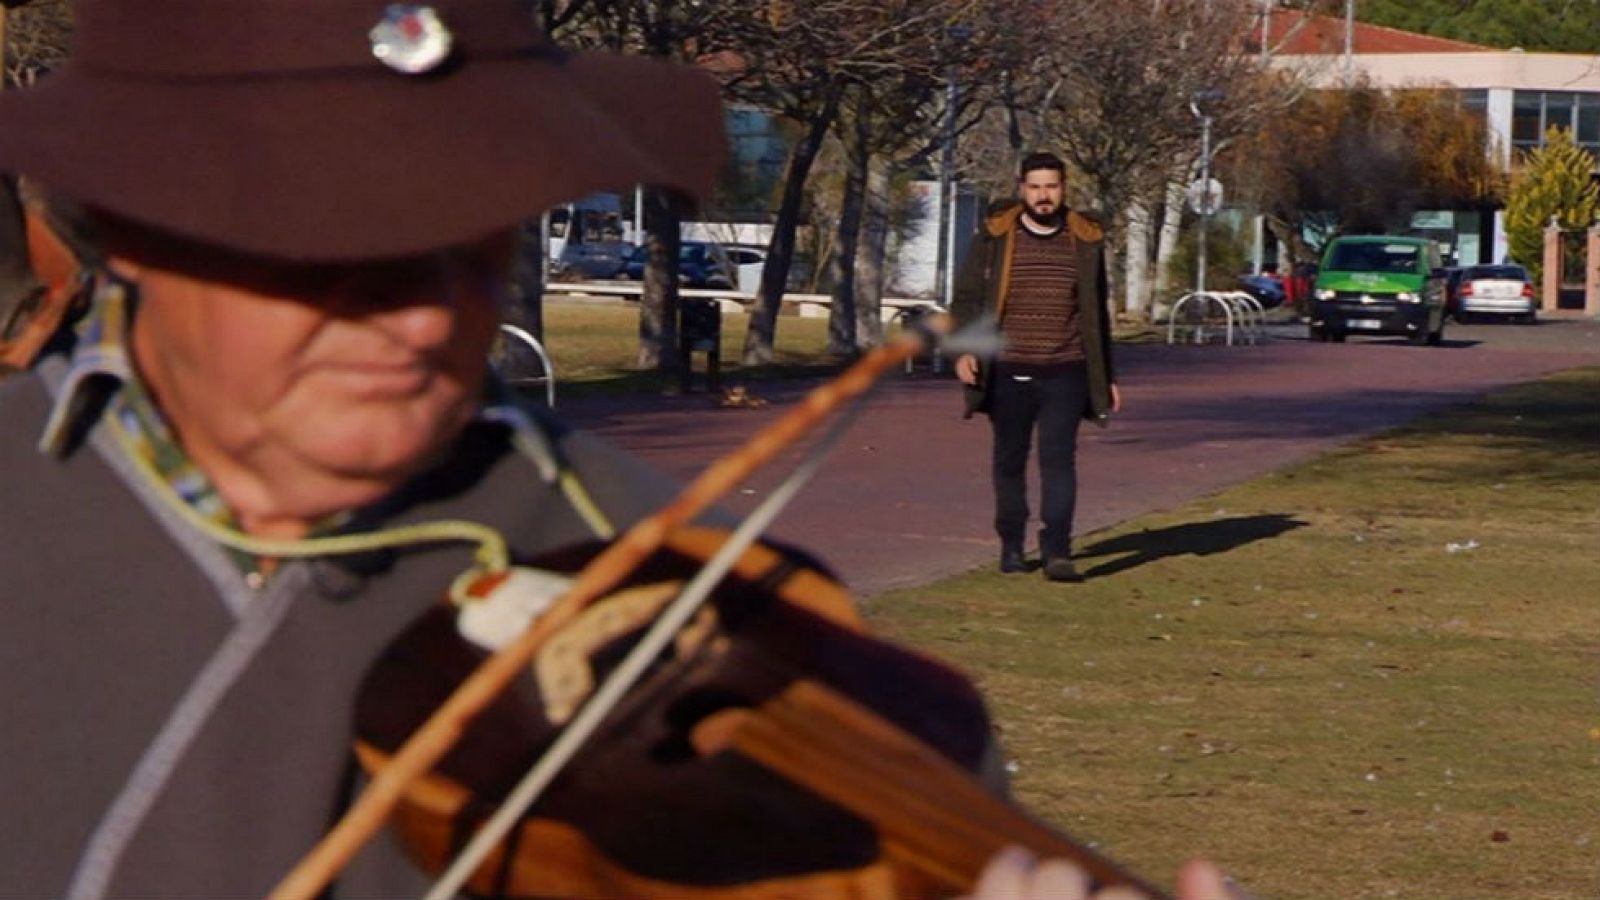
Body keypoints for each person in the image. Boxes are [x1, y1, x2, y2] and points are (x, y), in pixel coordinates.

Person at [0, 3, 1224, 897]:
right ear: (134, 228)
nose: (425, 314)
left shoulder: (658, 570)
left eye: (471, 238)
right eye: (339, 245)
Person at [952, 151, 1121, 583]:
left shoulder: (1083, 239)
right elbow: (967, 298)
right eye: (1036, 187)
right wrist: (965, 351)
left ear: (1064, 188)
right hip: (1008, 370)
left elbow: (1096, 313)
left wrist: (1108, 377)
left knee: (1059, 460)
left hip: (1066, 369)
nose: (1044, 196)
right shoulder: (994, 237)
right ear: (1021, 188)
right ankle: (1011, 542)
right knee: (1009, 459)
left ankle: (1058, 550)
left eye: (1052, 187)